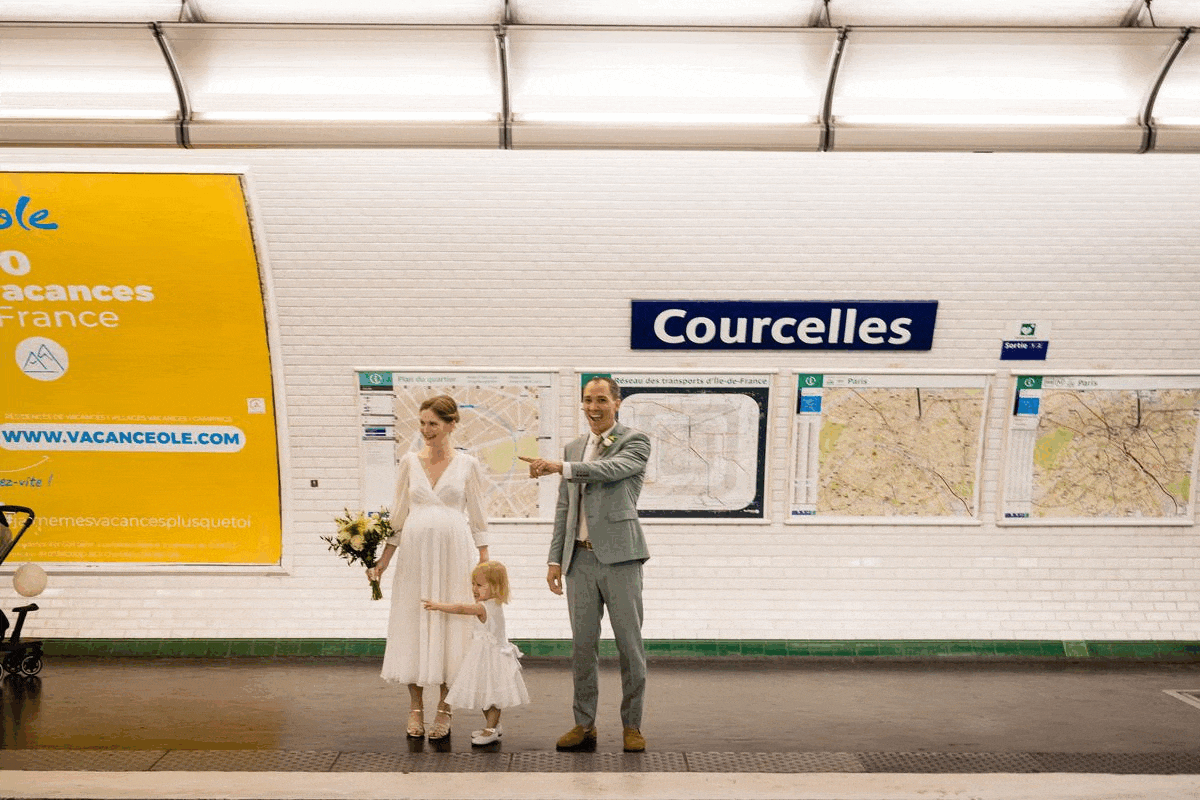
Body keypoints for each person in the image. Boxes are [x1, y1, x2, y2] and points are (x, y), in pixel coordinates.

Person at [521, 376, 651, 753]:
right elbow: (565, 508)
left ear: (617, 403)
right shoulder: (574, 448)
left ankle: (632, 726)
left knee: (630, 646)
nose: (593, 408)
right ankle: (584, 724)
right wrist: (554, 559)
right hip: (579, 559)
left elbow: (610, 471)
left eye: (601, 400)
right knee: (583, 647)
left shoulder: (635, 442)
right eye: (587, 400)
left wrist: (559, 466)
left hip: (622, 559)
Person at [367, 394, 490, 741]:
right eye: (422, 423)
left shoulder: (468, 465)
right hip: (415, 558)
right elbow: (398, 517)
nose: (426, 430)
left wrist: (483, 565)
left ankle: (445, 708)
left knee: (452, 628)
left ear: (452, 424)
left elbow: (479, 518)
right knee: (414, 622)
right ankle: (416, 707)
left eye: (433, 424)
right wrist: (382, 563)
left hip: (455, 555)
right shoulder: (409, 462)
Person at [423, 560, 530, 745]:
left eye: (479, 585)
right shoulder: (493, 604)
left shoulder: (484, 607)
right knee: (485, 694)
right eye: (473, 584)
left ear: (495, 587)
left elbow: (461, 608)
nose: (474, 589)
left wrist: (438, 606)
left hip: (491, 659)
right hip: (483, 658)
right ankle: (493, 726)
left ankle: (491, 730)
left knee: (492, 696)